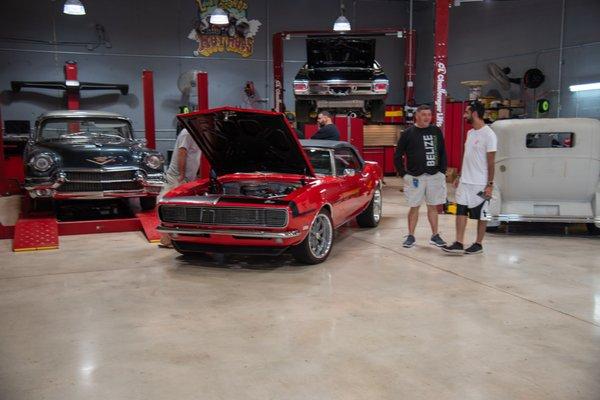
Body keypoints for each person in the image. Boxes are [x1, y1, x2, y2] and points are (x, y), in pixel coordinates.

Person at [442, 100, 497, 255]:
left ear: (474, 113)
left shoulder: (489, 135)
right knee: (460, 210)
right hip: (465, 181)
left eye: (466, 112)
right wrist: (459, 175)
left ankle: (478, 244)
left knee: (482, 214)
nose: (464, 115)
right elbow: (467, 156)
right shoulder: (470, 133)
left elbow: (491, 162)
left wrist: (490, 184)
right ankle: (459, 242)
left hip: (480, 182)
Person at [394, 104, 448, 248]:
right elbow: (397, 155)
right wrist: (403, 174)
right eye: (424, 115)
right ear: (416, 116)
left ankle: (435, 236)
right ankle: (411, 236)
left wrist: (442, 171)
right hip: (414, 177)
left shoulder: (436, 131)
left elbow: (442, 152)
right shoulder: (407, 133)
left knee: (433, 206)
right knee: (414, 206)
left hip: (434, 176)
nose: (427, 118)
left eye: (429, 115)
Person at [158, 127, 201, 247]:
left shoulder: (196, 133)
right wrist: (182, 175)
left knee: (177, 208)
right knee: (169, 207)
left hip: (186, 178)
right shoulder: (188, 133)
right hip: (177, 177)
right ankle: (168, 239)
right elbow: (182, 152)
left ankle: (170, 239)